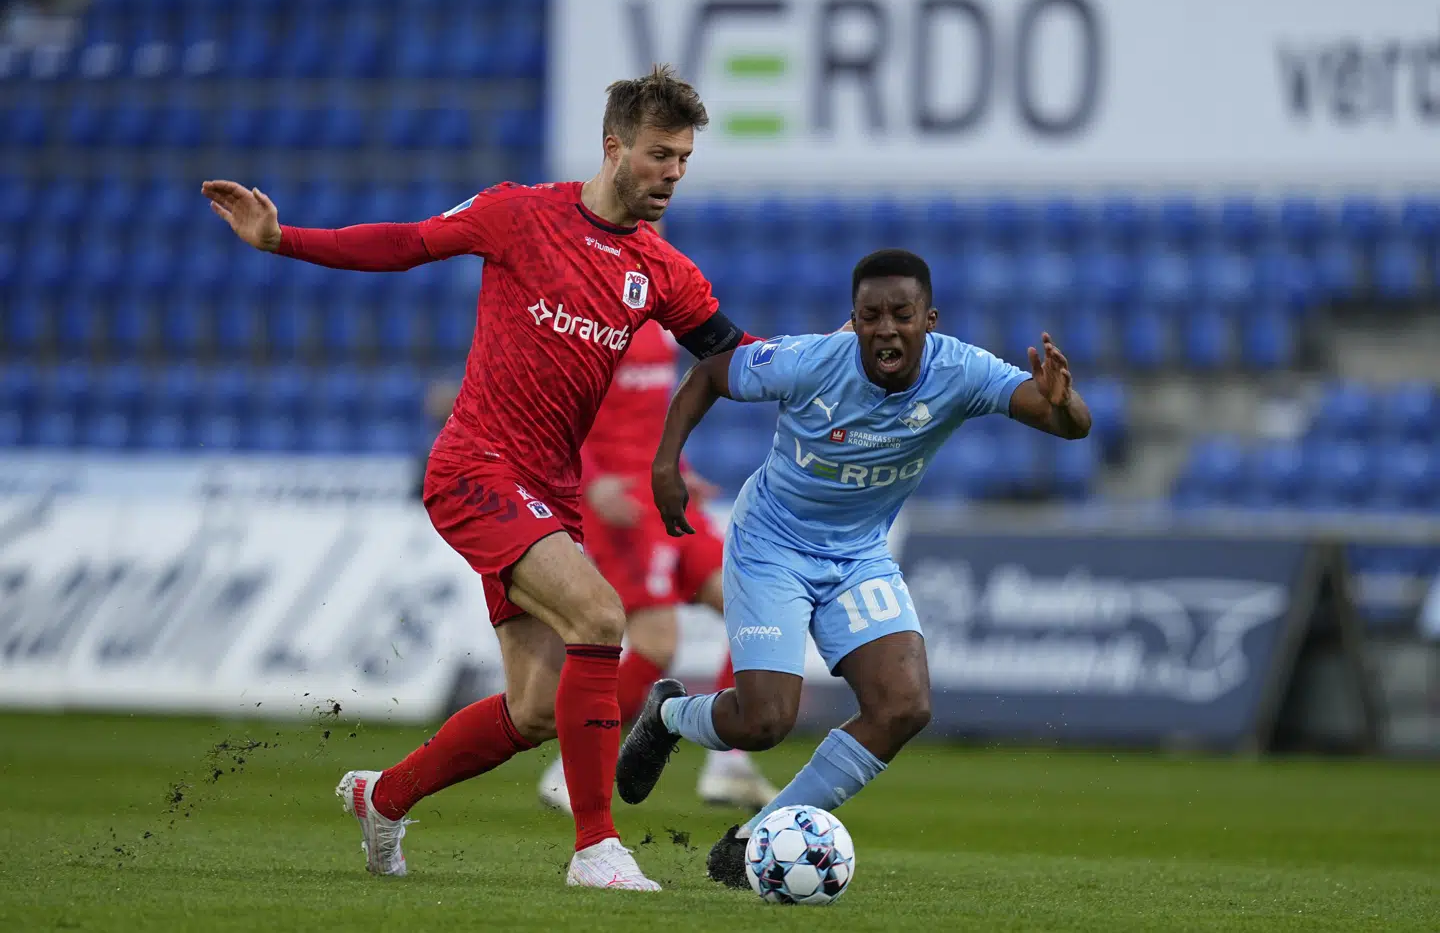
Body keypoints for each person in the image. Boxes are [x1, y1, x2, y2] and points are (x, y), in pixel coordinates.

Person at [202, 65, 764, 892]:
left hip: (549, 494)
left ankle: (384, 797)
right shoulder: (519, 214)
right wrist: (285, 239)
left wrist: (841, 372)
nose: (674, 173)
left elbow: (738, 355)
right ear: (613, 148)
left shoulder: (661, 269)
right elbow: (406, 243)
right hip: (475, 467)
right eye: (659, 155)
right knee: (601, 614)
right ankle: (596, 848)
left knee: (534, 707)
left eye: (683, 158)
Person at [614, 248, 1093, 888]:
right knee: (765, 722)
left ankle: (756, 838)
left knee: (903, 706)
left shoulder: (961, 370)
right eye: (871, 316)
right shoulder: (811, 360)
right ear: (855, 319)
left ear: (929, 319)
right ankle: (668, 715)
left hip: (857, 555)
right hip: (771, 546)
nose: (886, 329)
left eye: (902, 315)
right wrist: (665, 465)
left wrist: (1066, 401)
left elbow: (1067, 423)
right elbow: (708, 375)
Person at [537, 318, 779, 816]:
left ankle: (728, 761)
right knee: (656, 643)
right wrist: (591, 482)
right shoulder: (592, 321)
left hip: (664, 492)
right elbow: (560, 411)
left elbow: (650, 418)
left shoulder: (660, 324)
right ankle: (570, 766)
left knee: (754, 606)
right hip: (619, 501)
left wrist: (681, 470)